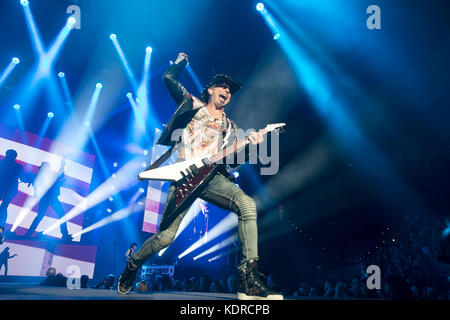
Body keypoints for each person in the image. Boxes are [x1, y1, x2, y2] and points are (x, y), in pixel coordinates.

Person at [118, 52, 282, 300]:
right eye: (222, 86)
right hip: (184, 176)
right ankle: (133, 264)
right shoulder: (192, 105)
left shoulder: (230, 126)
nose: (226, 91)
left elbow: (233, 160)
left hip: (212, 178)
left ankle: (249, 280)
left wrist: (252, 145)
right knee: (165, 238)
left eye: (230, 90)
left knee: (247, 205)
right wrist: (181, 62)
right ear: (210, 90)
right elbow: (168, 79)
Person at [25, 160, 72, 240]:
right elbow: (60, 178)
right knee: (59, 215)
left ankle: (28, 234)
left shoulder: (43, 176)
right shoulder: (43, 176)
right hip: (49, 198)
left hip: (48, 198)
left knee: (42, 216)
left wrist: (62, 166)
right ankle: (65, 234)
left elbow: (59, 178)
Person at [0, 149, 33, 228]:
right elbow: (23, 179)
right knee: (3, 208)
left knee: (3, 208)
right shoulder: (18, 167)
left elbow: (22, 178)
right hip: (9, 191)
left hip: (5, 190)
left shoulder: (1, 163)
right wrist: (30, 180)